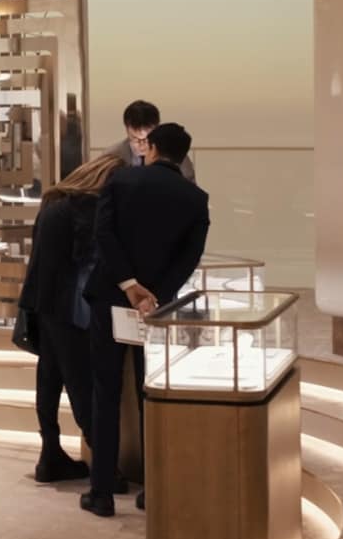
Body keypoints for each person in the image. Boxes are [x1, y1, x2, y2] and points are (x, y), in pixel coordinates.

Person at [81, 123, 210, 517]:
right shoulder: (195, 198)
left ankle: (101, 491)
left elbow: (102, 235)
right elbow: (190, 257)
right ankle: (154, 488)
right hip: (156, 308)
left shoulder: (121, 181)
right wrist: (155, 294)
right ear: (183, 155)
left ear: (150, 148)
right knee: (150, 393)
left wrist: (129, 285)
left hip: (110, 298)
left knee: (105, 392)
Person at [16, 153, 126, 484]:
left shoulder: (53, 204)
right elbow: (90, 265)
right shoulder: (88, 210)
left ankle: (50, 455)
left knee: (48, 381)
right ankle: (108, 472)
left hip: (43, 304)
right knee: (83, 386)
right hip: (74, 308)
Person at [104, 100, 196, 181]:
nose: (141, 144)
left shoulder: (172, 153)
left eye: (147, 139)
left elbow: (189, 187)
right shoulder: (112, 155)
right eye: (135, 138)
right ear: (126, 129)